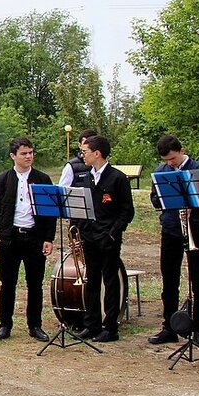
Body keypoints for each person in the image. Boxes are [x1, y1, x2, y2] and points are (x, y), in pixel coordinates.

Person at [0, 138, 56, 341]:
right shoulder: (2, 180)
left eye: (31, 152)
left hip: (34, 237)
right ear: (13, 156)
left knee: (35, 284)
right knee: (8, 284)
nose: (29, 157)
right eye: (24, 153)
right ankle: (5, 324)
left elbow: (50, 213)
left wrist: (48, 238)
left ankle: (35, 325)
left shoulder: (43, 179)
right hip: (10, 238)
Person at [147, 135, 199, 349]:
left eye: (173, 159)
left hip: (196, 228)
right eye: (166, 160)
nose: (170, 163)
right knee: (169, 280)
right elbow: (155, 199)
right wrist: (165, 200)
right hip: (171, 229)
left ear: (182, 150)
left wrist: (194, 203)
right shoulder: (161, 171)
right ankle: (169, 327)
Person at [72, 136, 135, 342]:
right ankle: (91, 324)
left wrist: (113, 232)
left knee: (110, 281)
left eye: (85, 152)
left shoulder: (117, 178)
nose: (83, 155)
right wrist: (81, 229)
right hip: (90, 237)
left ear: (97, 153)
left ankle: (110, 327)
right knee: (91, 280)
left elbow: (127, 211)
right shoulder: (86, 177)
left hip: (108, 237)